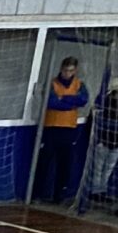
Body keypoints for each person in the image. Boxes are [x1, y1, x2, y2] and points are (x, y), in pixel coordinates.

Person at [35, 56, 89, 205]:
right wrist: (70, 102)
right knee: (44, 163)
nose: (67, 73)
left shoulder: (80, 85)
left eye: (71, 71)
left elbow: (83, 100)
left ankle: (59, 196)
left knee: (65, 164)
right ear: (61, 69)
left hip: (69, 128)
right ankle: (38, 194)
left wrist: (63, 99)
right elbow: (51, 102)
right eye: (65, 70)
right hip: (51, 127)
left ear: (75, 71)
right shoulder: (52, 83)